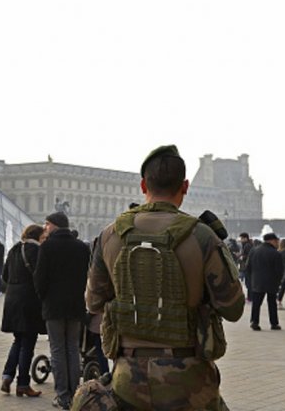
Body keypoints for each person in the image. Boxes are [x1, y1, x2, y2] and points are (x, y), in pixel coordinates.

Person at [86, 145, 245, 410]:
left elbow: (93, 302)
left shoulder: (109, 235)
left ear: (142, 185)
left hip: (128, 379)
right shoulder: (203, 236)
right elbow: (234, 308)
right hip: (191, 382)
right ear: (184, 186)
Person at [34, 211, 90, 409]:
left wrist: (44, 298)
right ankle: (76, 392)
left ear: (55, 225)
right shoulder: (82, 247)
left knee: (57, 349)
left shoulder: (47, 247)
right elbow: (86, 276)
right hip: (75, 304)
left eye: (47, 224)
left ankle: (62, 394)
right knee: (72, 349)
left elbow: (39, 279)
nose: (45, 228)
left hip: (54, 306)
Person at [0, 224, 46, 397]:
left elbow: (5, 275)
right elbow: (41, 277)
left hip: (12, 300)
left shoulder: (14, 250)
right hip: (29, 301)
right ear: (38, 237)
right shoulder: (36, 251)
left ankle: (7, 376)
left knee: (18, 340)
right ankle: (23, 384)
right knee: (28, 343)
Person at [247, 233, 283, 331]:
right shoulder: (275, 253)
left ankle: (254, 322)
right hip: (272, 282)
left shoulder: (254, 250)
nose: (278, 243)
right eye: (277, 241)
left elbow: (248, 267)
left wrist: (252, 279)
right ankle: (274, 323)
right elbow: (279, 270)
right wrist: (279, 282)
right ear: (272, 241)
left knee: (256, 303)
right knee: (272, 303)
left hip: (257, 282)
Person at [238, 232, 253, 300]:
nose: (240, 240)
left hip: (247, 266)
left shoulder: (247, 245)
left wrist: (242, 257)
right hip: (246, 266)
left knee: (248, 282)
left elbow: (249, 256)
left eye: (241, 238)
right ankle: (250, 297)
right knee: (248, 282)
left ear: (245, 238)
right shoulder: (246, 245)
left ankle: (250, 297)